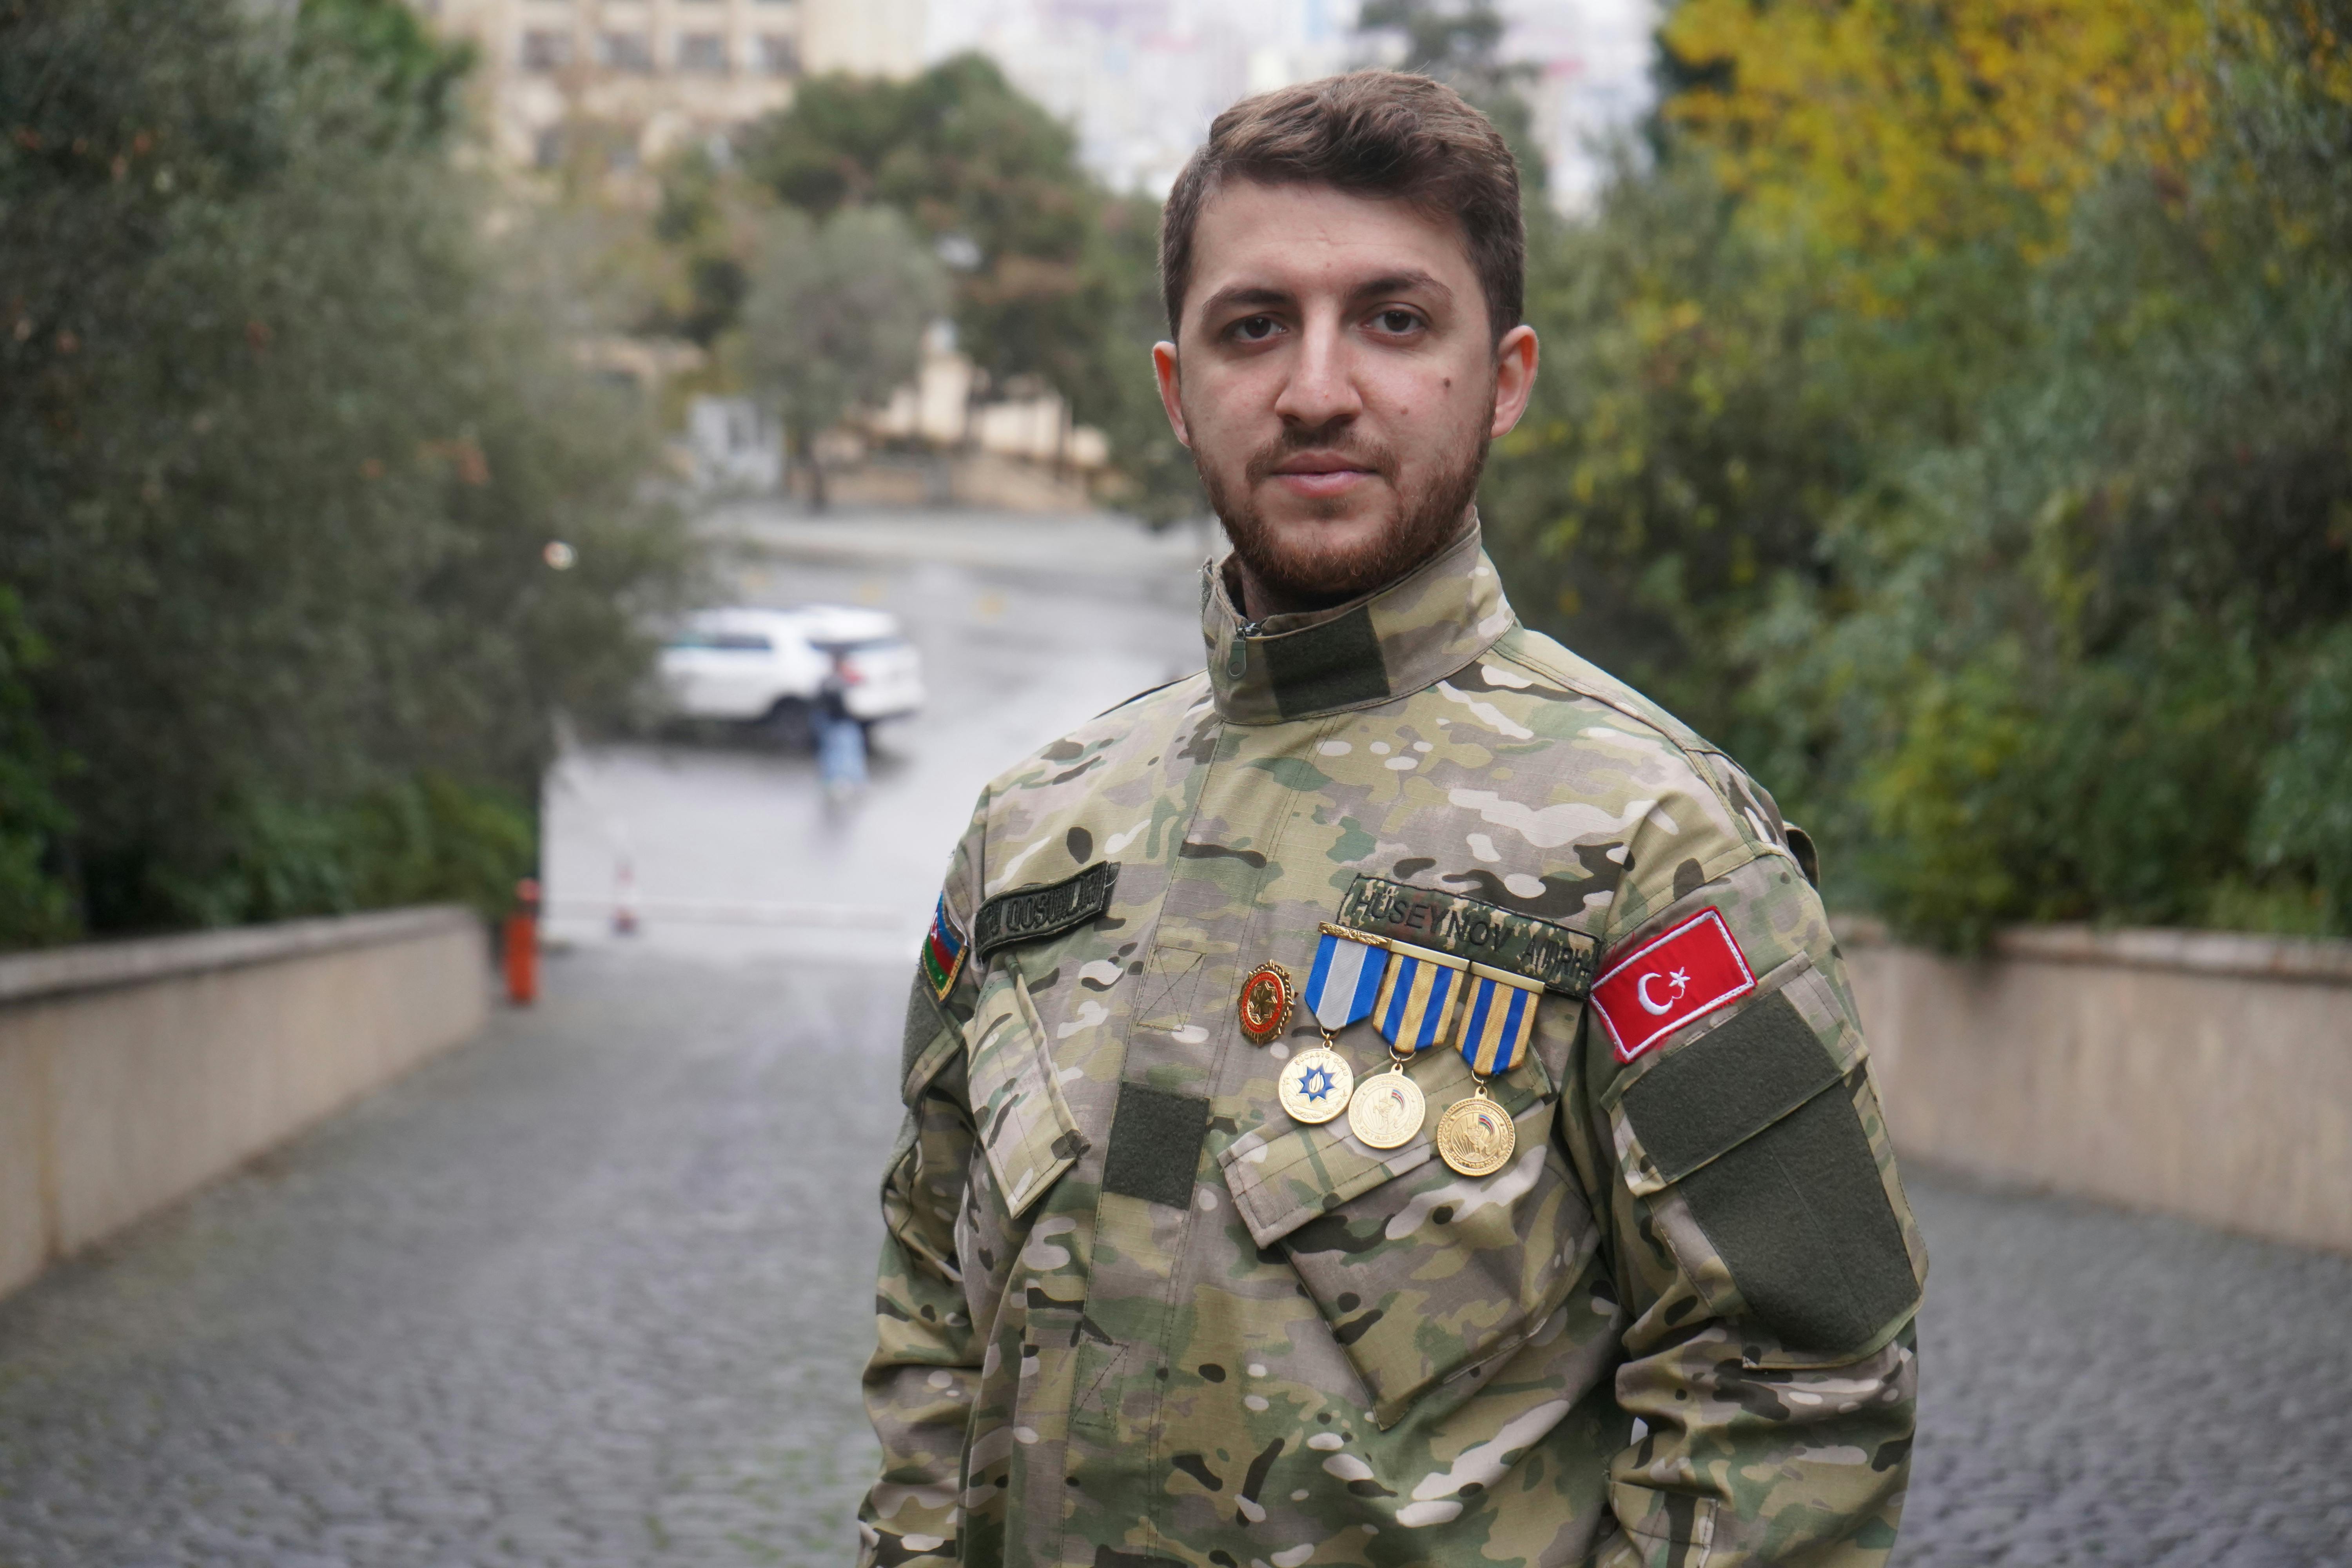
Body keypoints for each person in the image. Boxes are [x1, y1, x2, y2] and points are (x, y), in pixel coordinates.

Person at [860, 71, 1923, 1568]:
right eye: (1255, 325)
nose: (1315, 388)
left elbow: (1801, 1390)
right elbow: (929, 1315)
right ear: (1178, 390)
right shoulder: (1033, 837)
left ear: (1506, 377)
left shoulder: (1653, 841)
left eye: (1395, 320)